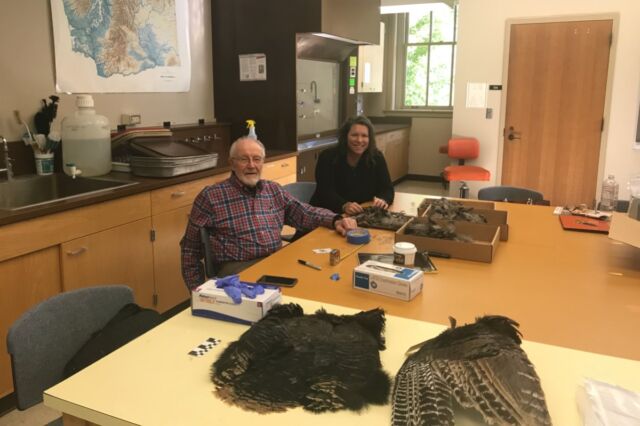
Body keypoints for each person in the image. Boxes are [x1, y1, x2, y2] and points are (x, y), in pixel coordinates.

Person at [180, 136, 357, 291]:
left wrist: (335, 220)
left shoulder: (272, 190)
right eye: (244, 159)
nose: (251, 165)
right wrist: (197, 292)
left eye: (257, 159)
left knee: (320, 283)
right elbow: (190, 249)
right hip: (238, 269)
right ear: (231, 163)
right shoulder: (211, 196)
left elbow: (304, 212)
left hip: (276, 260)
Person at [310, 115, 394, 215]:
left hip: (358, 215)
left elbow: (387, 188)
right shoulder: (327, 157)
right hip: (327, 215)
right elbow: (324, 191)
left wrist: (383, 199)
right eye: (354, 135)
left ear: (370, 139)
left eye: (364, 136)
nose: (359, 140)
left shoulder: (376, 157)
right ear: (345, 136)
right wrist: (344, 205)